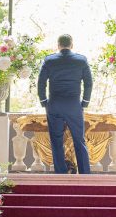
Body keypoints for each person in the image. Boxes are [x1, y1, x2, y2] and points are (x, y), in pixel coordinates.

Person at [37, 34, 93, 174]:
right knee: (79, 140)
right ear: (71, 45)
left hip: (54, 104)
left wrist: (44, 101)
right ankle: (85, 175)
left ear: (58, 45)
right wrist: (84, 102)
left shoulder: (49, 60)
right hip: (74, 105)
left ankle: (60, 175)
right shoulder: (81, 60)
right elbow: (88, 83)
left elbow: (41, 82)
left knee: (56, 141)